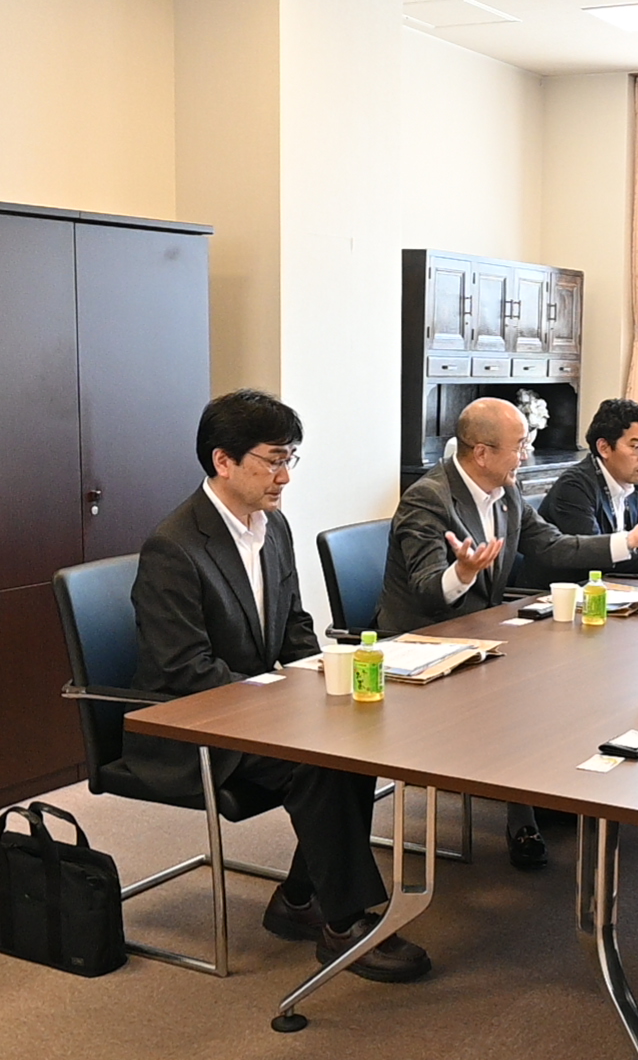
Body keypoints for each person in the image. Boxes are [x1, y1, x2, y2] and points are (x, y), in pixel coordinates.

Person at [126, 389, 429, 984]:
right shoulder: (174, 548)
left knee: (355, 735)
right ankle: (345, 921)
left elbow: (293, 625)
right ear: (223, 461)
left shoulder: (274, 526)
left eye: (290, 459)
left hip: (256, 705)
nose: (285, 477)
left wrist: (317, 681)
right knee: (319, 763)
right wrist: (286, 705)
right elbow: (186, 670)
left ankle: (298, 900)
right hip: (192, 725)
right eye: (273, 461)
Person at [379, 396, 638, 869]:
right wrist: (462, 573)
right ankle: (527, 814)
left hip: (482, 634)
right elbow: (426, 590)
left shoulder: (506, 493)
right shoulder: (429, 498)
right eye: (520, 445)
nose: (526, 455)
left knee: (568, 671)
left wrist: (629, 540)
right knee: (529, 691)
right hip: (426, 644)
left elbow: (553, 546)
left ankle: (556, 794)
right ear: (482, 452)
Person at [521, 397, 638, 587]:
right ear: (604, 448)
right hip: (559, 595)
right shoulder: (574, 487)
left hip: (612, 589)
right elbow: (597, 558)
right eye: (636, 447)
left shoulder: (634, 482)